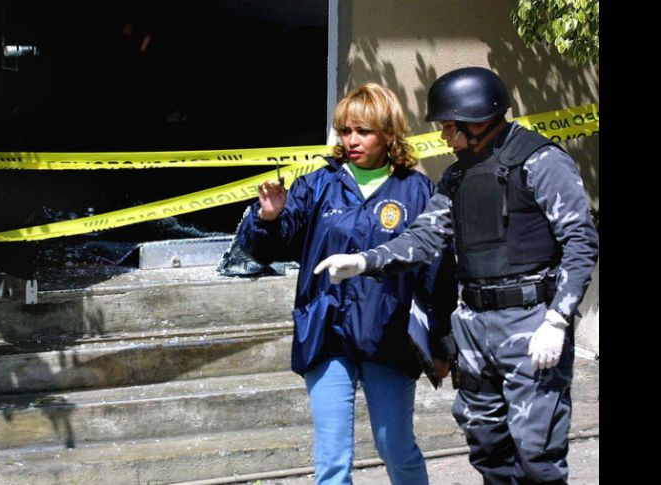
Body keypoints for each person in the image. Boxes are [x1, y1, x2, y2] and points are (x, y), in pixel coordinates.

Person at [314, 67, 599, 484]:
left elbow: (581, 242)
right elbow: (425, 237)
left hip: (532, 323)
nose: (445, 137)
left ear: (478, 120)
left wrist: (558, 319)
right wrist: (364, 261)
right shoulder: (457, 174)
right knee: (488, 447)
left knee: (536, 454)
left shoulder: (540, 161)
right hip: (475, 329)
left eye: (450, 127)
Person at [234, 82, 456, 485]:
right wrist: (267, 219)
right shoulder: (317, 185)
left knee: (396, 446)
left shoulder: (417, 190)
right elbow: (268, 249)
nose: (351, 141)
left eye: (363, 131)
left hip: (388, 336)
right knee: (333, 459)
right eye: (345, 131)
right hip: (326, 331)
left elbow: (436, 271)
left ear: (389, 134)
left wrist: (441, 344)